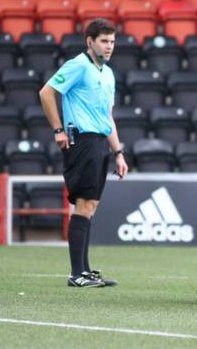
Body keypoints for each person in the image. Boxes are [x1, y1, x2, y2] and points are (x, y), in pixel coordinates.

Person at [39, 18, 128, 288]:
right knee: (83, 204)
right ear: (90, 42)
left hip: (100, 142)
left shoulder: (108, 73)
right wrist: (58, 130)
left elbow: (108, 116)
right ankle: (76, 274)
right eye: (104, 41)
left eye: (112, 41)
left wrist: (119, 152)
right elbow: (46, 92)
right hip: (83, 141)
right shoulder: (78, 65)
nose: (109, 46)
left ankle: (85, 271)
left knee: (91, 206)